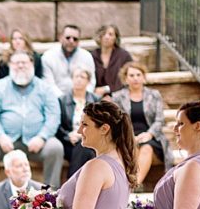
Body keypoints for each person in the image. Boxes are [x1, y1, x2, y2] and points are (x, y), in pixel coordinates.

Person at [0, 50, 64, 192]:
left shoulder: (45, 88)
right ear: (10, 65)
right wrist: (0, 135)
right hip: (5, 141)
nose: (21, 66)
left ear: (32, 64)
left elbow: (54, 116)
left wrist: (42, 137)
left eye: (24, 62)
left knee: (55, 148)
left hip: (36, 142)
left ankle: (50, 195)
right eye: (17, 63)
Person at [110, 61, 169, 190]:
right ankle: (131, 185)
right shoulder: (118, 97)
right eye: (131, 75)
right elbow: (116, 121)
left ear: (143, 77)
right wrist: (130, 137)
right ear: (125, 79)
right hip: (127, 137)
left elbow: (160, 120)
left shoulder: (154, 95)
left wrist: (149, 134)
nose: (135, 78)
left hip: (152, 138)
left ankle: (133, 186)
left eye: (138, 74)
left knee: (147, 148)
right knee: (132, 148)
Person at [57, 66, 100, 179]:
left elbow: (99, 124)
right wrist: (68, 135)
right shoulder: (62, 100)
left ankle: (72, 184)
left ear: (88, 81)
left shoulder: (96, 100)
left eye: (82, 77)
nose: (79, 79)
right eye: (76, 76)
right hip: (68, 142)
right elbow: (57, 125)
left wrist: (85, 135)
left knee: (85, 148)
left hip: (89, 141)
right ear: (72, 79)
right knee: (87, 151)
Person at [41, 24, 97, 98]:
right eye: (68, 38)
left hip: (82, 99)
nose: (71, 41)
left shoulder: (86, 56)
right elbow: (48, 84)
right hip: (56, 99)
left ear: (78, 41)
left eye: (75, 39)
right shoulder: (48, 56)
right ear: (60, 38)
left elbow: (91, 81)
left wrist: (83, 97)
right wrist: (64, 100)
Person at [91, 23, 133, 98]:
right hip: (96, 96)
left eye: (110, 34)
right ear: (99, 36)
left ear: (115, 38)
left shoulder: (124, 56)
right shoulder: (92, 55)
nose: (106, 37)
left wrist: (107, 89)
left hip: (120, 96)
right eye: (104, 34)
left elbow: (129, 77)